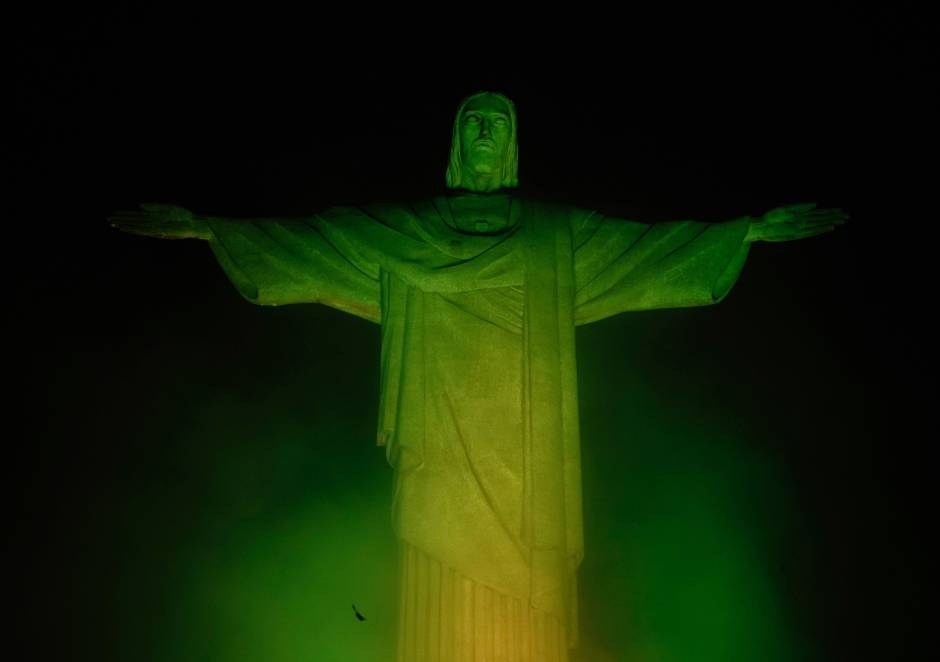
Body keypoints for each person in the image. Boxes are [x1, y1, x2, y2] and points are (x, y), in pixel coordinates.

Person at [110, 90, 845, 662]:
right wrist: (214, 229)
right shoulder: (410, 231)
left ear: (515, 145)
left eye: (498, 121)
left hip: (527, 477)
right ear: (457, 146)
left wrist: (741, 232)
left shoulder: (556, 238)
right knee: (439, 595)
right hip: (441, 458)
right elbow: (317, 242)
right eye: (474, 122)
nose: (486, 132)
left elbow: (646, 253)